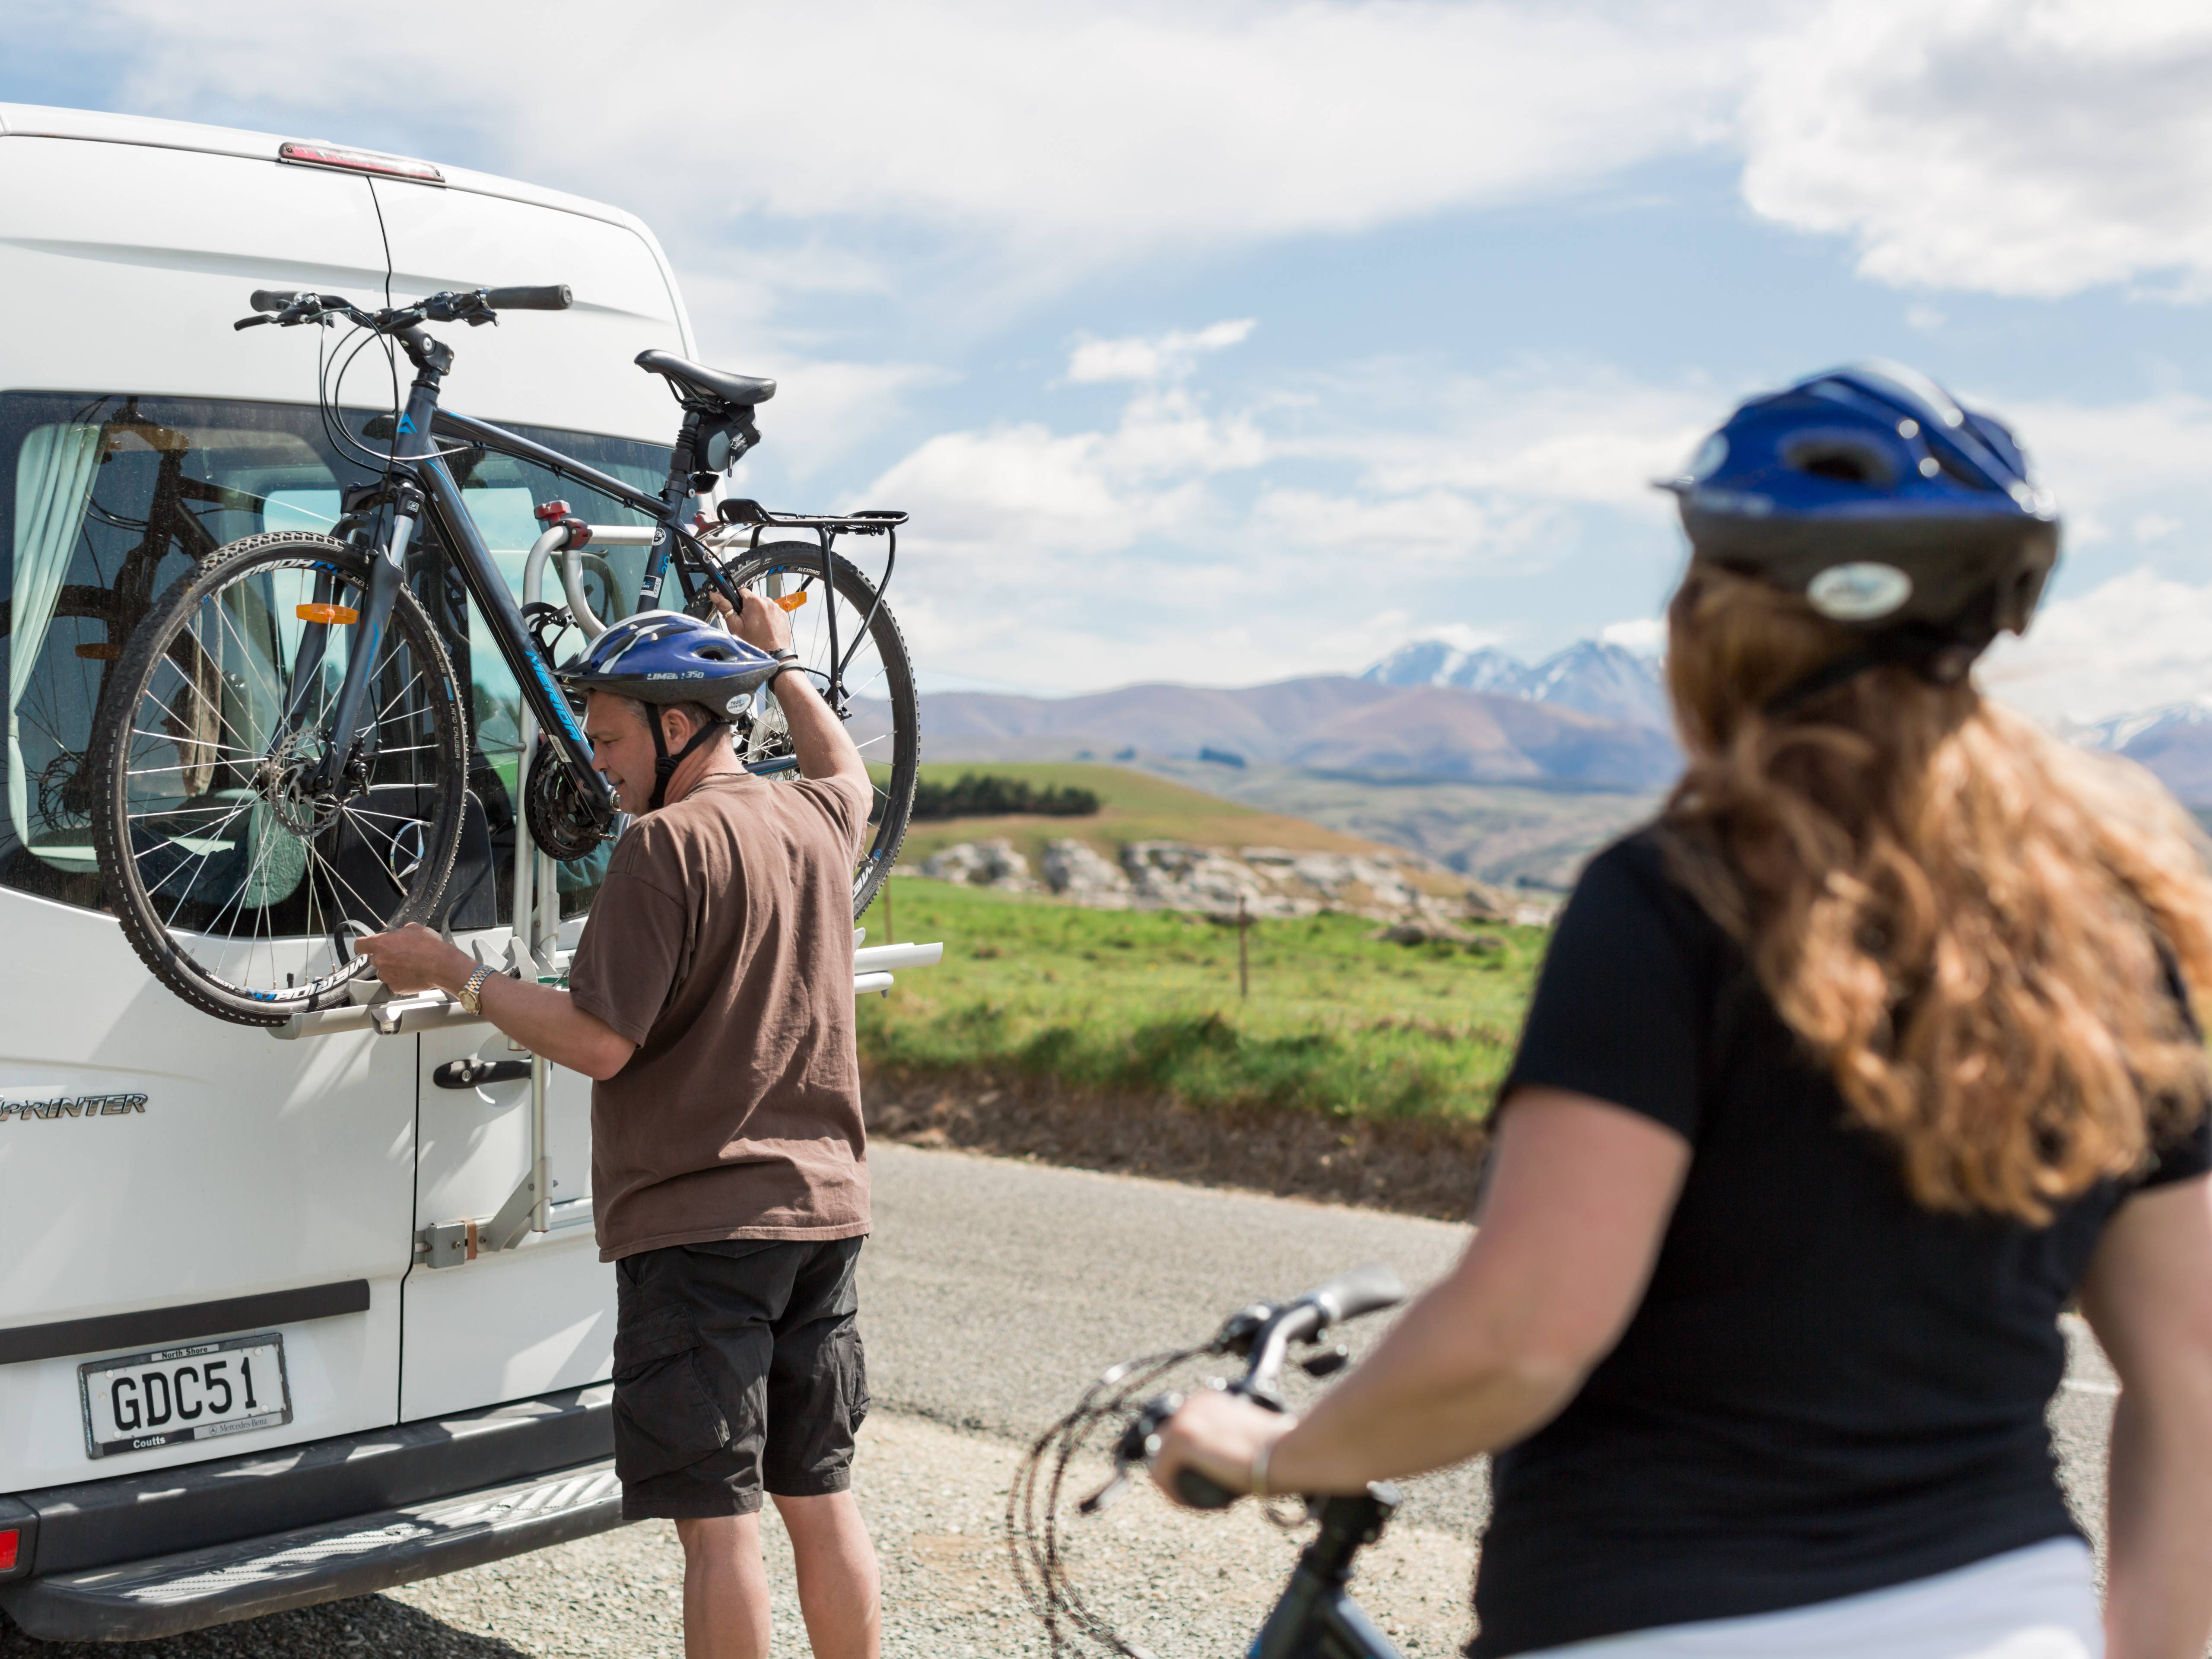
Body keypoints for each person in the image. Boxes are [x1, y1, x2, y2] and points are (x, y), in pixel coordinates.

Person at [1152, 363, 2212, 1659]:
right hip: (2011, 1613)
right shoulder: (2104, 926)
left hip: (1662, 1617)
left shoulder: (1677, 896)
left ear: (1717, 620)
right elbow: (2194, 1372)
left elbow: (1523, 1336)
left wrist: (1280, 1449)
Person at [359, 589, 882, 1659]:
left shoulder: (665, 847)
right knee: (818, 1497)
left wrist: (457, 973)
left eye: (605, 736)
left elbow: (600, 1042)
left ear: (676, 725)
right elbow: (852, 778)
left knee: (718, 1528)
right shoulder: (813, 822)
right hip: (824, 1219)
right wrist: (780, 665)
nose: (595, 762)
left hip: (701, 1233)